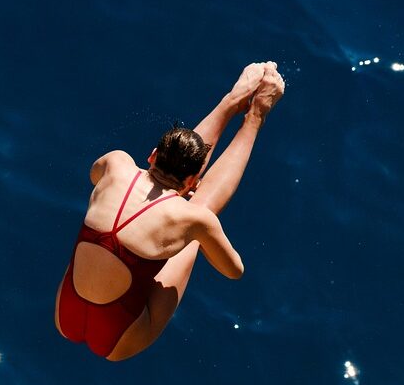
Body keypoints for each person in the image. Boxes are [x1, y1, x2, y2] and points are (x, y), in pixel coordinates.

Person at [55, 62, 285, 361]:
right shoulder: (191, 218)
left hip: (65, 314)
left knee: (153, 231)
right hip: (117, 340)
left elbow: (94, 176)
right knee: (198, 216)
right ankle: (255, 114)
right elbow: (234, 271)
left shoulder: (116, 163)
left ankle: (230, 100)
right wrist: (198, 225)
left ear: (153, 154)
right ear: (194, 180)